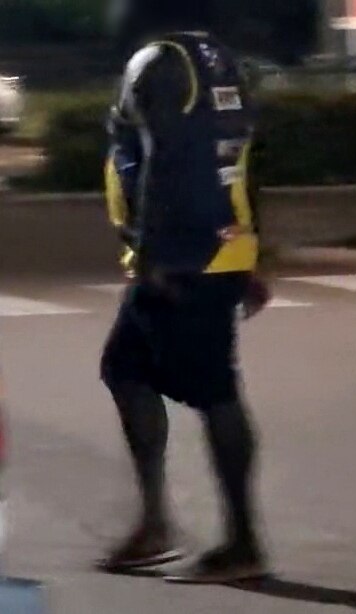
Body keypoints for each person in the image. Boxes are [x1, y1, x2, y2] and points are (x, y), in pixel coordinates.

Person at [97, 0, 278, 583]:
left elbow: (166, 162)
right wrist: (251, 256)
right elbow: (240, 165)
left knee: (215, 390)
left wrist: (153, 255)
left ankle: (240, 543)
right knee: (127, 368)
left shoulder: (159, 62)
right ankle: (157, 524)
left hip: (181, 258)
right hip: (219, 250)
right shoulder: (222, 61)